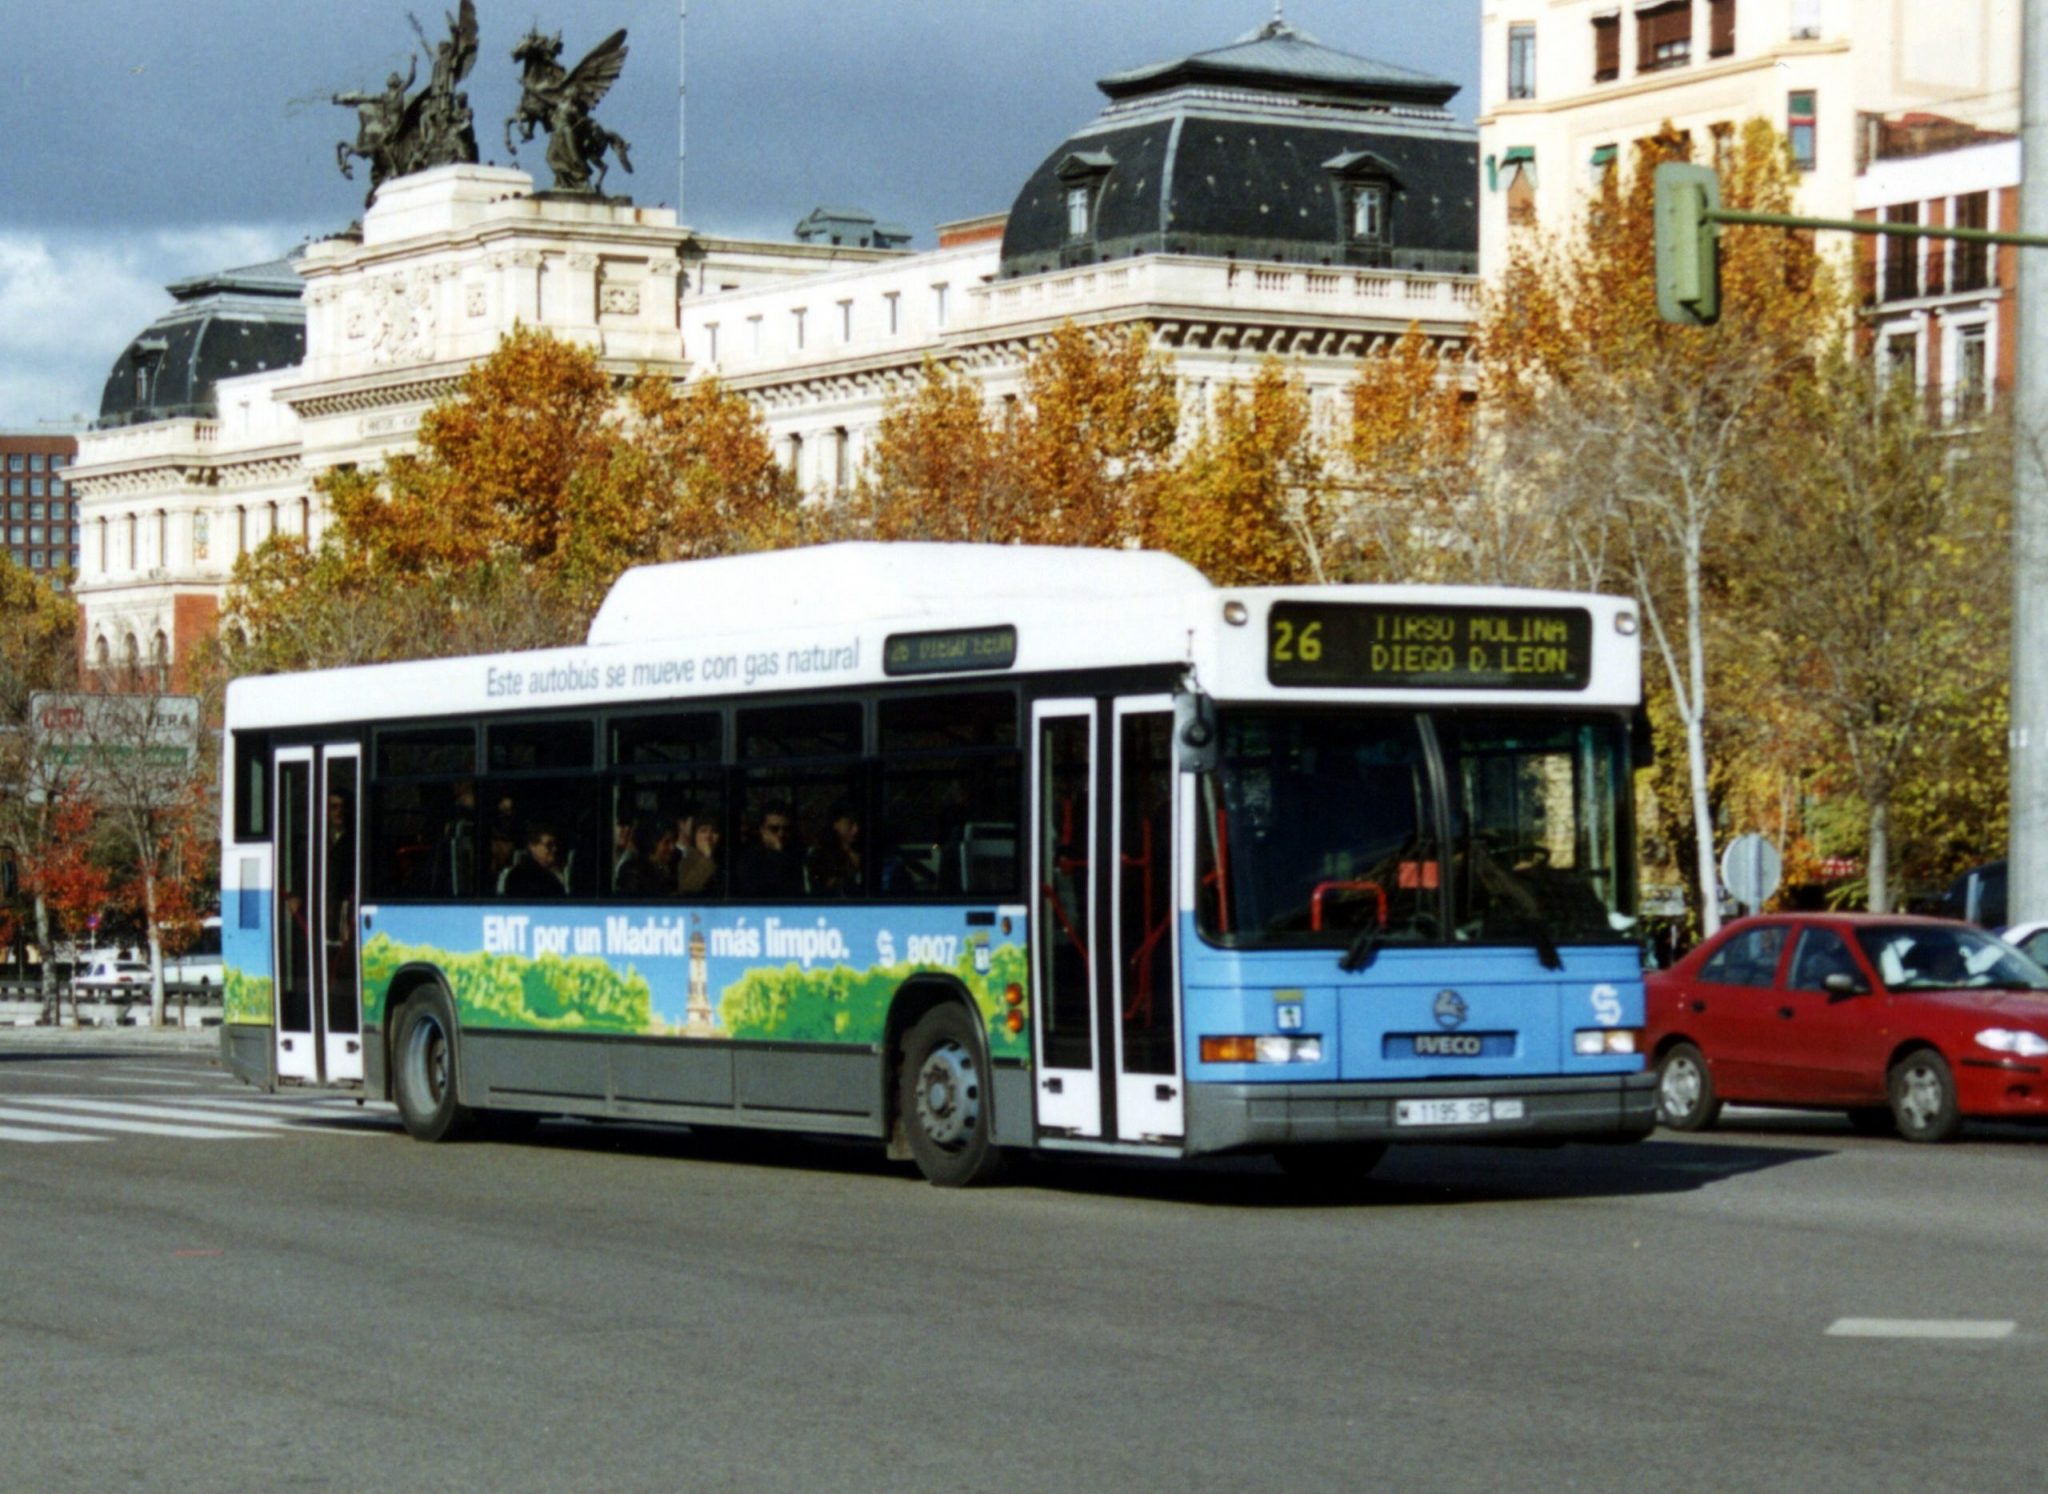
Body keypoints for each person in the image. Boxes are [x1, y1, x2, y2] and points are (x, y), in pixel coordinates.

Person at [734, 801, 805, 897]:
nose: (781, 834)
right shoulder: (749, 858)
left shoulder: (798, 854)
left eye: (786, 829)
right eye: (774, 829)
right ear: (762, 830)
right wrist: (777, 854)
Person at [806, 801, 862, 896]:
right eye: (850, 824)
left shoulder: (865, 853)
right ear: (835, 824)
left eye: (858, 824)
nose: (856, 829)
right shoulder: (820, 856)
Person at [502, 821, 568, 898]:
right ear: (532, 846)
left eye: (555, 844)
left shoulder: (552, 874)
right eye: (549, 845)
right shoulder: (522, 877)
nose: (554, 849)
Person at [676, 819, 721, 895]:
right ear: (695, 836)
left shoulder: (724, 860)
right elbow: (687, 888)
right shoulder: (686, 859)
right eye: (703, 831)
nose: (708, 836)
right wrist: (707, 859)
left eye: (714, 831)